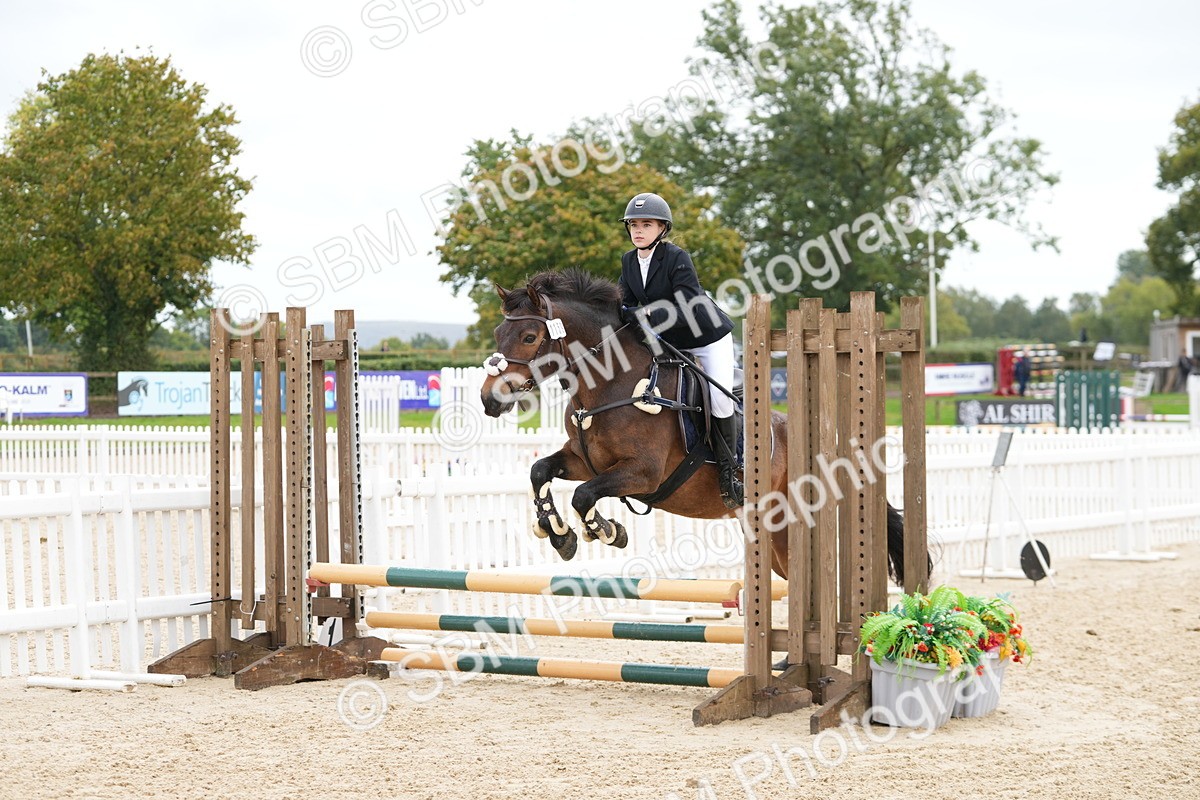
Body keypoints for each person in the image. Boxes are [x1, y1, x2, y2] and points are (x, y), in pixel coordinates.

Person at [616, 192, 743, 508]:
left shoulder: (676, 257)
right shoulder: (629, 261)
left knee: (719, 400)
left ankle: (730, 474)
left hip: (707, 337)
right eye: (633, 225)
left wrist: (644, 315)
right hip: (671, 341)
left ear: (662, 228)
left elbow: (686, 305)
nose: (638, 230)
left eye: (646, 224)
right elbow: (625, 303)